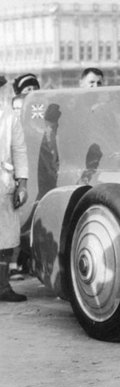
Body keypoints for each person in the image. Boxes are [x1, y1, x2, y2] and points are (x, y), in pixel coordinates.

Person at [0, 75, 29, 302]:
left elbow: (19, 150)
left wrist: (22, 183)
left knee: (6, 238)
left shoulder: (9, 117)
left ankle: (2, 286)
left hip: (3, 182)